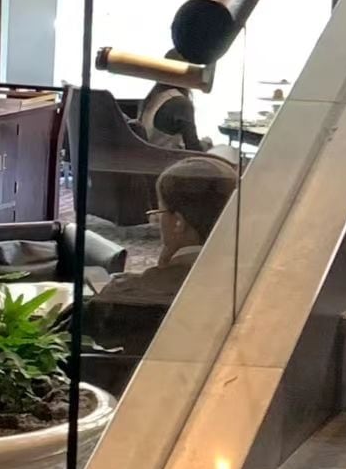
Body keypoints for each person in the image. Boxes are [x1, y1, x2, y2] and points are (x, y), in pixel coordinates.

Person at [87, 156, 238, 352]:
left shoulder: (127, 296)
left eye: (160, 213)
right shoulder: (250, 286)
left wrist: (160, 272)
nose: (157, 222)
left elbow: (64, 342)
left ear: (178, 223)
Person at [137, 54, 212, 154]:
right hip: (167, 160)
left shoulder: (154, 97)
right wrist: (207, 145)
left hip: (149, 157)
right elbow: (193, 148)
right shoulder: (180, 103)